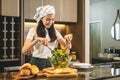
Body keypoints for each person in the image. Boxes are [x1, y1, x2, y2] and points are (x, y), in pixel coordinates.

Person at [22, 5, 73, 70]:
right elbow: (24, 50)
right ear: (41, 18)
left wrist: (68, 40)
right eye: (48, 19)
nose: (50, 22)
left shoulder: (55, 31)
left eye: (52, 20)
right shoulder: (33, 30)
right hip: (36, 63)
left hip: (51, 63)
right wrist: (36, 40)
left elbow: (68, 46)